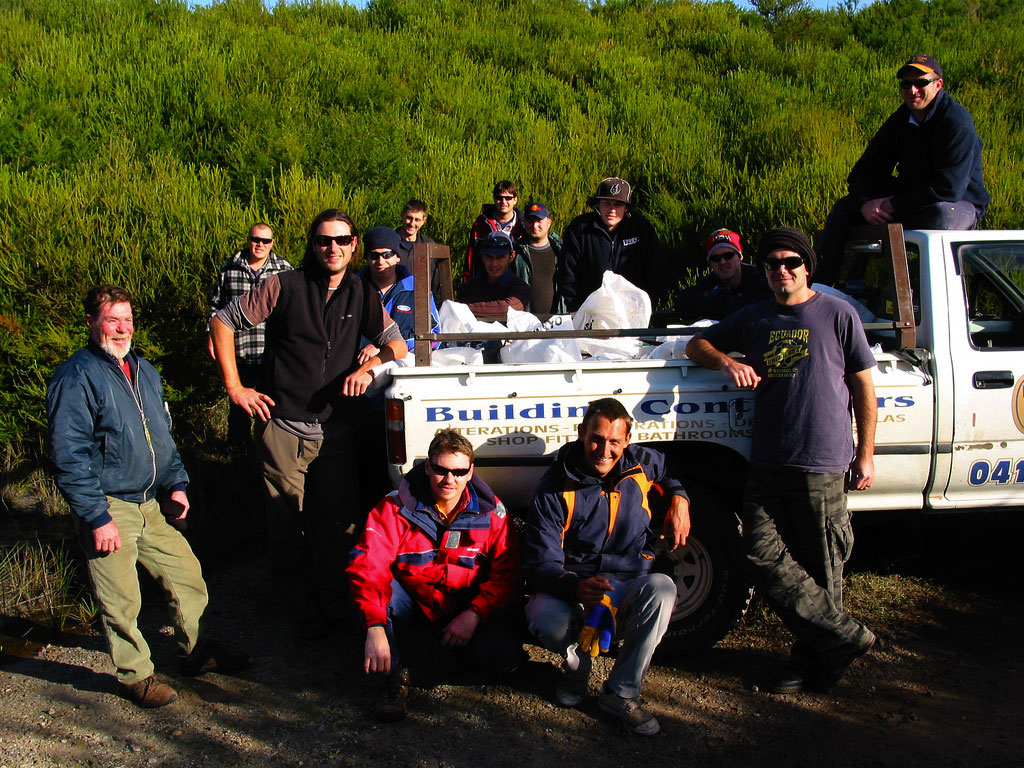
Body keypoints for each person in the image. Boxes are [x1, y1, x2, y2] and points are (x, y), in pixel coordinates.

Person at [685, 227, 878, 694]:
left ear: (807, 266)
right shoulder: (754, 318)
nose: (781, 270)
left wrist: (866, 452)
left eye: (790, 261)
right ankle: (844, 635)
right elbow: (697, 344)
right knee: (758, 551)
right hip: (768, 457)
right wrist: (727, 363)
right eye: (772, 264)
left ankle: (817, 664)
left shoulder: (837, 314)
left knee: (822, 566)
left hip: (822, 459)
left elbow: (865, 387)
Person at [209, 209, 408, 639]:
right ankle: (299, 615)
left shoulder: (361, 291)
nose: (331, 248)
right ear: (312, 245)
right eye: (323, 241)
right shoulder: (285, 285)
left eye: (340, 240)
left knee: (341, 525)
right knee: (286, 525)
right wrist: (236, 388)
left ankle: (338, 606)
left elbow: (397, 343)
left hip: (335, 430)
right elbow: (222, 321)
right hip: (282, 425)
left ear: (353, 244)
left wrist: (372, 363)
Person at [47, 286, 247, 708]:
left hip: (149, 503)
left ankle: (197, 653)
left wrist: (176, 482)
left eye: (128, 320)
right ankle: (135, 676)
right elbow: (68, 454)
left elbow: (162, 438)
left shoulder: (144, 371)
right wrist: (95, 515)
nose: (122, 329)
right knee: (121, 599)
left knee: (187, 575)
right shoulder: (76, 376)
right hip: (108, 504)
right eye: (112, 320)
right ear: (90, 323)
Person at [524, 397, 690, 736]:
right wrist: (575, 587)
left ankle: (620, 692)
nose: (604, 450)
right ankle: (576, 671)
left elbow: (672, 471)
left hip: (627, 582)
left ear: (627, 441)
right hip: (574, 584)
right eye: (596, 438)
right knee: (543, 616)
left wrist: (679, 498)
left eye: (614, 441)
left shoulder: (641, 463)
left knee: (663, 588)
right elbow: (541, 564)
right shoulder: (554, 486)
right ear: (582, 433)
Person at [347, 429, 524, 722]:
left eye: (458, 471)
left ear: (470, 472)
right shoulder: (394, 507)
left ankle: (451, 648)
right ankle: (394, 679)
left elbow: (508, 575)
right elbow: (367, 565)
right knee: (369, 601)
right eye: (441, 470)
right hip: (412, 598)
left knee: (504, 656)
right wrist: (375, 626)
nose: (449, 479)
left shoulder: (494, 514)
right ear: (427, 467)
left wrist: (475, 614)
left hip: (462, 603)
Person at [815, 55, 989, 285]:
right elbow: (862, 174)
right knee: (845, 208)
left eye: (920, 83)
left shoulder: (956, 121)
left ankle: (910, 291)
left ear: (939, 85)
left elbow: (949, 188)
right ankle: (822, 290)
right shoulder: (900, 120)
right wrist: (866, 203)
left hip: (957, 203)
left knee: (938, 216)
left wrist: (894, 204)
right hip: (910, 199)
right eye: (906, 84)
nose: (912, 90)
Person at [356, 226, 440, 511]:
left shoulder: (416, 289)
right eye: (373, 256)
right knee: (364, 460)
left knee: (400, 464)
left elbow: (433, 336)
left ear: (397, 257)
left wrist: (385, 351)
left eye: (387, 255)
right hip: (359, 393)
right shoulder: (354, 286)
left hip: (400, 394)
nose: (380, 262)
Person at [207, 222, 293, 445]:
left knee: (272, 405)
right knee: (239, 407)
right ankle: (238, 453)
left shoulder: (283, 268)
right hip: (239, 349)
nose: (260, 245)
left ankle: (269, 450)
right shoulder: (229, 268)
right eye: (256, 239)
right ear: (249, 240)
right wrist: (211, 335)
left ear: (272, 243)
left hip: (271, 351)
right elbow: (215, 306)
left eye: (266, 241)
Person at [555, 177, 668, 313]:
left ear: (626, 207)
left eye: (618, 204)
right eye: (607, 203)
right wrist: (576, 308)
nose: (612, 210)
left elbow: (656, 268)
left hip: (633, 312)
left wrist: (648, 305)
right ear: (598, 204)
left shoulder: (641, 228)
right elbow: (567, 272)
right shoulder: (579, 229)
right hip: (590, 311)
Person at [674, 228, 771, 321]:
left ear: (740, 257)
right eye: (716, 258)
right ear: (710, 263)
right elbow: (682, 302)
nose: (723, 262)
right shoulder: (711, 282)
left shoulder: (761, 280)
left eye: (728, 255)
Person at [459, 231, 531, 321]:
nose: (494, 264)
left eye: (500, 257)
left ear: (511, 256)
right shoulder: (469, 287)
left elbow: (508, 310)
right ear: (483, 257)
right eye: (489, 257)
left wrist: (462, 309)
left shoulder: (520, 288)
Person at [464, 180, 526, 282]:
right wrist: (468, 284)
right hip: (485, 283)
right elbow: (471, 258)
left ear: (515, 200)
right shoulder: (481, 223)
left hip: (514, 284)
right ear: (494, 199)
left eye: (508, 198)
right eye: (499, 198)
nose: (503, 202)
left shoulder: (523, 226)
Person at [514, 201, 564, 316]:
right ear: (524, 223)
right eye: (530, 221)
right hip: (526, 325)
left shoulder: (562, 252)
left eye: (539, 220)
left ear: (549, 222)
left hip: (557, 324)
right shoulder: (515, 254)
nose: (535, 226)